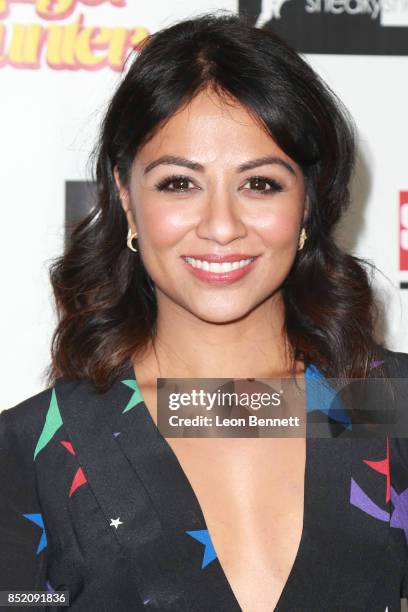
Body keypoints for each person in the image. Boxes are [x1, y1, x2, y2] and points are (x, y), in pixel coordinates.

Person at [1, 10, 408, 612]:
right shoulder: (30, 450)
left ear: (310, 204)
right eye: (178, 184)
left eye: (261, 184)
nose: (221, 226)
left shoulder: (387, 405)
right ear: (126, 198)